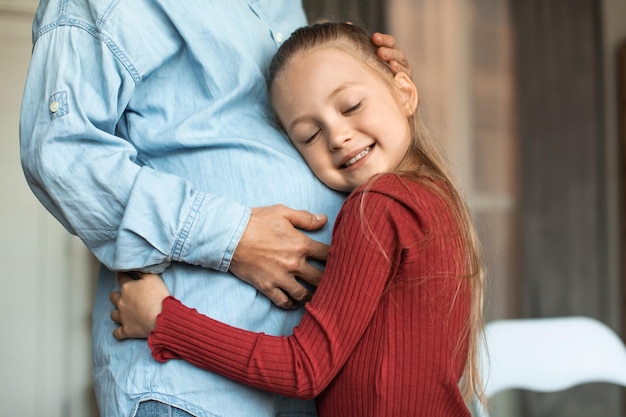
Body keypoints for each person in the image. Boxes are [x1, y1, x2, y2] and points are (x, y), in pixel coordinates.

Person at [19, 1, 411, 416]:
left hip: (319, 381)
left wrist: (372, 79)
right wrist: (234, 237)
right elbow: (61, 153)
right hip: (192, 385)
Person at [110, 22, 486, 417]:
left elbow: (303, 369)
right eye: (309, 135)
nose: (338, 136)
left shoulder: (378, 206)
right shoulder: (437, 199)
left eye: (351, 106)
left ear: (405, 92)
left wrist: (164, 320)